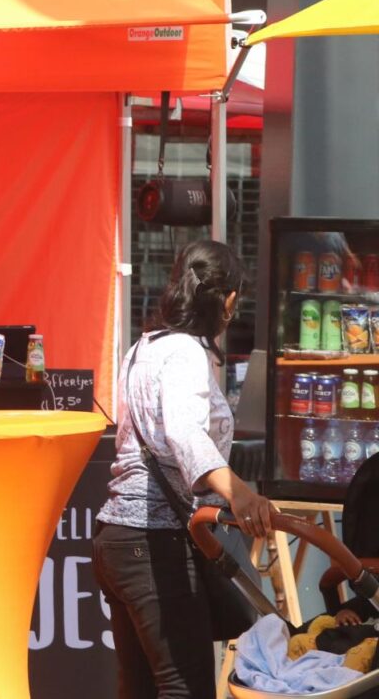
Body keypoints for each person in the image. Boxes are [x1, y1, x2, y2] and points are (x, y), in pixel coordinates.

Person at [94, 240, 276, 699]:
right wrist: (239, 492)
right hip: (156, 541)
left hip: (118, 540)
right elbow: (184, 431)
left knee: (140, 688)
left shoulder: (143, 347)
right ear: (227, 300)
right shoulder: (185, 352)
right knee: (185, 688)